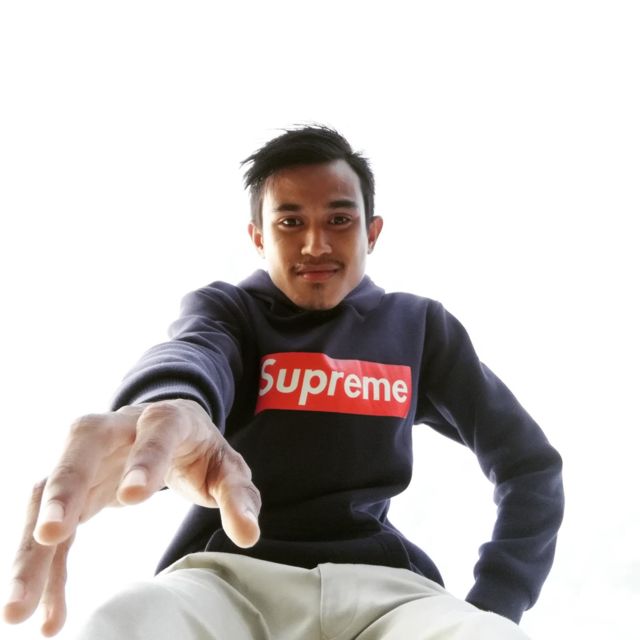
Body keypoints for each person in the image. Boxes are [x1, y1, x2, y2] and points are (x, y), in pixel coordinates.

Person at [3, 125, 564, 639]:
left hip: (387, 594)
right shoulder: (231, 312)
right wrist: (171, 403)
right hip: (228, 580)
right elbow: (196, 353)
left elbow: (529, 464)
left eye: (339, 220)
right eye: (291, 222)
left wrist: (497, 603)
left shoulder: (419, 327)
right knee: (124, 622)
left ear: (372, 232)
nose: (316, 244)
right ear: (258, 237)